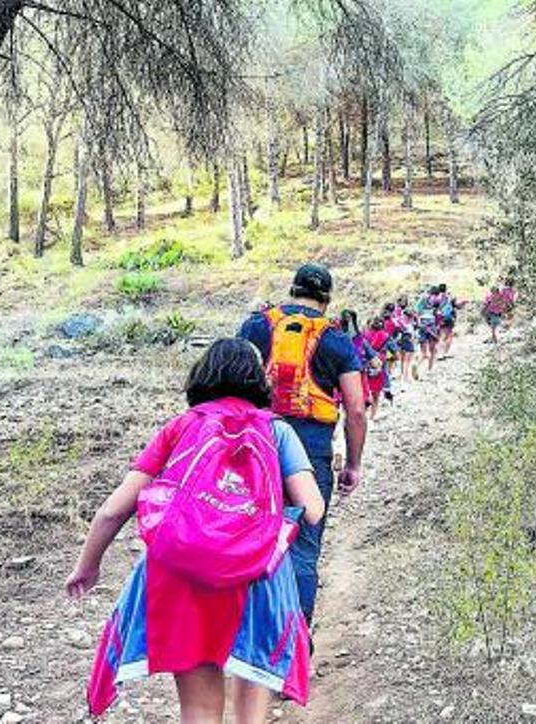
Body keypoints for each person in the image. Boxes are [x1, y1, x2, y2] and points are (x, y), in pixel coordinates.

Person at [69, 339, 325, 721]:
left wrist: (87, 566)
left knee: (199, 710)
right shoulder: (277, 431)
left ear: (203, 375)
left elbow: (113, 510)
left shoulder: (182, 427)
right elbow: (314, 510)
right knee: (250, 701)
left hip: (183, 570)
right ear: (258, 379)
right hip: (256, 575)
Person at [238, 263, 366, 626]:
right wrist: (353, 464)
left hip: (253, 444)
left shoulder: (256, 325)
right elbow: (356, 410)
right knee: (304, 547)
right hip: (311, 450)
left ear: (292, 290)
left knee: (246, 537)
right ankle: (292, 641)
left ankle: (246, 633)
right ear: (326, 300)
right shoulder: (336, 339)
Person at [361, 317, 391, 421]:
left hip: (365, 362)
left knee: (365, 390)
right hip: (379, 362)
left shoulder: (364, 334)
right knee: (376, 393)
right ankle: (372, 416)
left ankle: (363, 414)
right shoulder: (385, 335)